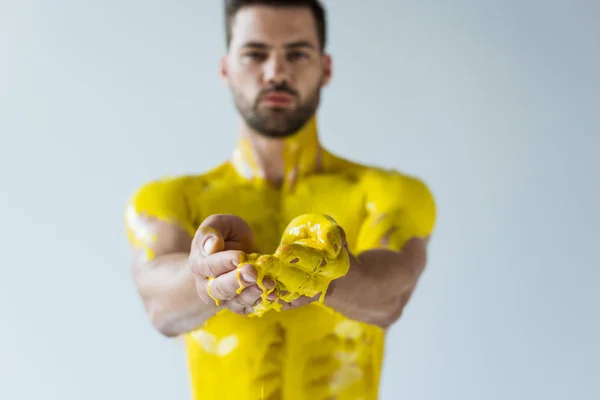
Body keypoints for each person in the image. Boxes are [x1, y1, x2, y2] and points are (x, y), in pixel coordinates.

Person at [124, 0, 436, 399]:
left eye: (297, 53)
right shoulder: (170, 199)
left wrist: (327, 274)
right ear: (226, 68)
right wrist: (204, 277)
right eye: (255, 54)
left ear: (325, 68)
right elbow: (159, 305)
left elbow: (390, 297)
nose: (275, 72)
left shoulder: (385, 194)